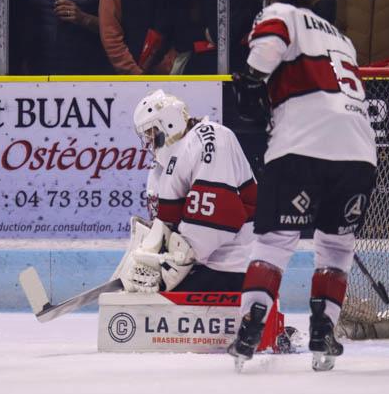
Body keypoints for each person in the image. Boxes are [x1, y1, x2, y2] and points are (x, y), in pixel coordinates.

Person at [228, 0, 377, 371]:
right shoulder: (342, 39)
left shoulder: (281, 12)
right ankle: (322, 332)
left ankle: (250, 326)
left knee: (274, 242)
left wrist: (252, 80)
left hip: (300, 144)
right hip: (359, 152)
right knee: (336, 246)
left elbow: (269, 46)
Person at [119, 89, 294, 352]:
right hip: (209, 262)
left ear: (168, 122)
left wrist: (168, 269)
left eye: (152, 133)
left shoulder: (211, 138)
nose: (149, 142)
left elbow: (217, 219)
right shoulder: (171, 156)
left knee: (151, 308)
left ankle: (268, 327)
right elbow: (168, 219)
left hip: (233, 266)